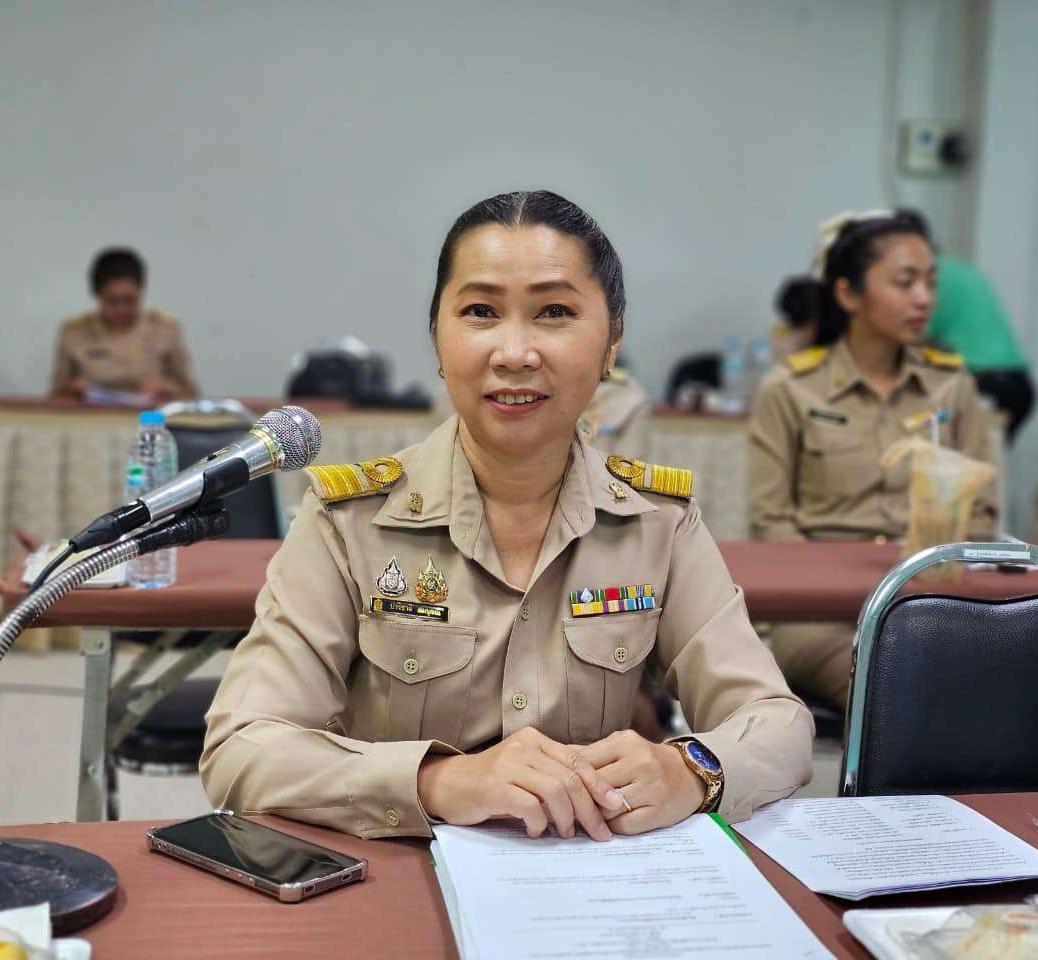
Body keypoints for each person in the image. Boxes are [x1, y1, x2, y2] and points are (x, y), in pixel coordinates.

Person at [202, 190, 812, 842]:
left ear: (611, 344)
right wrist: (438, 781)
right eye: (480, 312)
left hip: (595, 875)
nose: (514, 353)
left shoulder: (656, 521)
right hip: (401, 873)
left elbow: (777, 722)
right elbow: (243, 746)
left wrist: (690, 769)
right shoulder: (348, 521)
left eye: (554, 312)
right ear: (438, 339)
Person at [748, 210, 999, 710]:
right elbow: (771, 521)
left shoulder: (951, 387)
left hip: (931, 600)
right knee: (894, 685)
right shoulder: (791, 389)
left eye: (930, 282)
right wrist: (842, 589)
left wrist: (926, 581)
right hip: (820, 615)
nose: (924, 298)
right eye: (904, 283)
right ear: (848, 294)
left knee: (999, 678)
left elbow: (981, 515)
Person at [901, 210, 1034, 442]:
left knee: (910, 429)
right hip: (1016, 385)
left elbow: (911, 338)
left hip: (983, 385)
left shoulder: (929, 277)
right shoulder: (958, 270)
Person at [49, 247, 199, 401]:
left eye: (130, 300)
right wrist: (72, 390)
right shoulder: (74, 331)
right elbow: (54, 397)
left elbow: (191, 394)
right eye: (112, 301)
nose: (122, 309)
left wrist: (167, 387)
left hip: (149, 415)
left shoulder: (165, 329)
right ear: (97, 295)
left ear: (141, 292)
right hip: (91, 414)